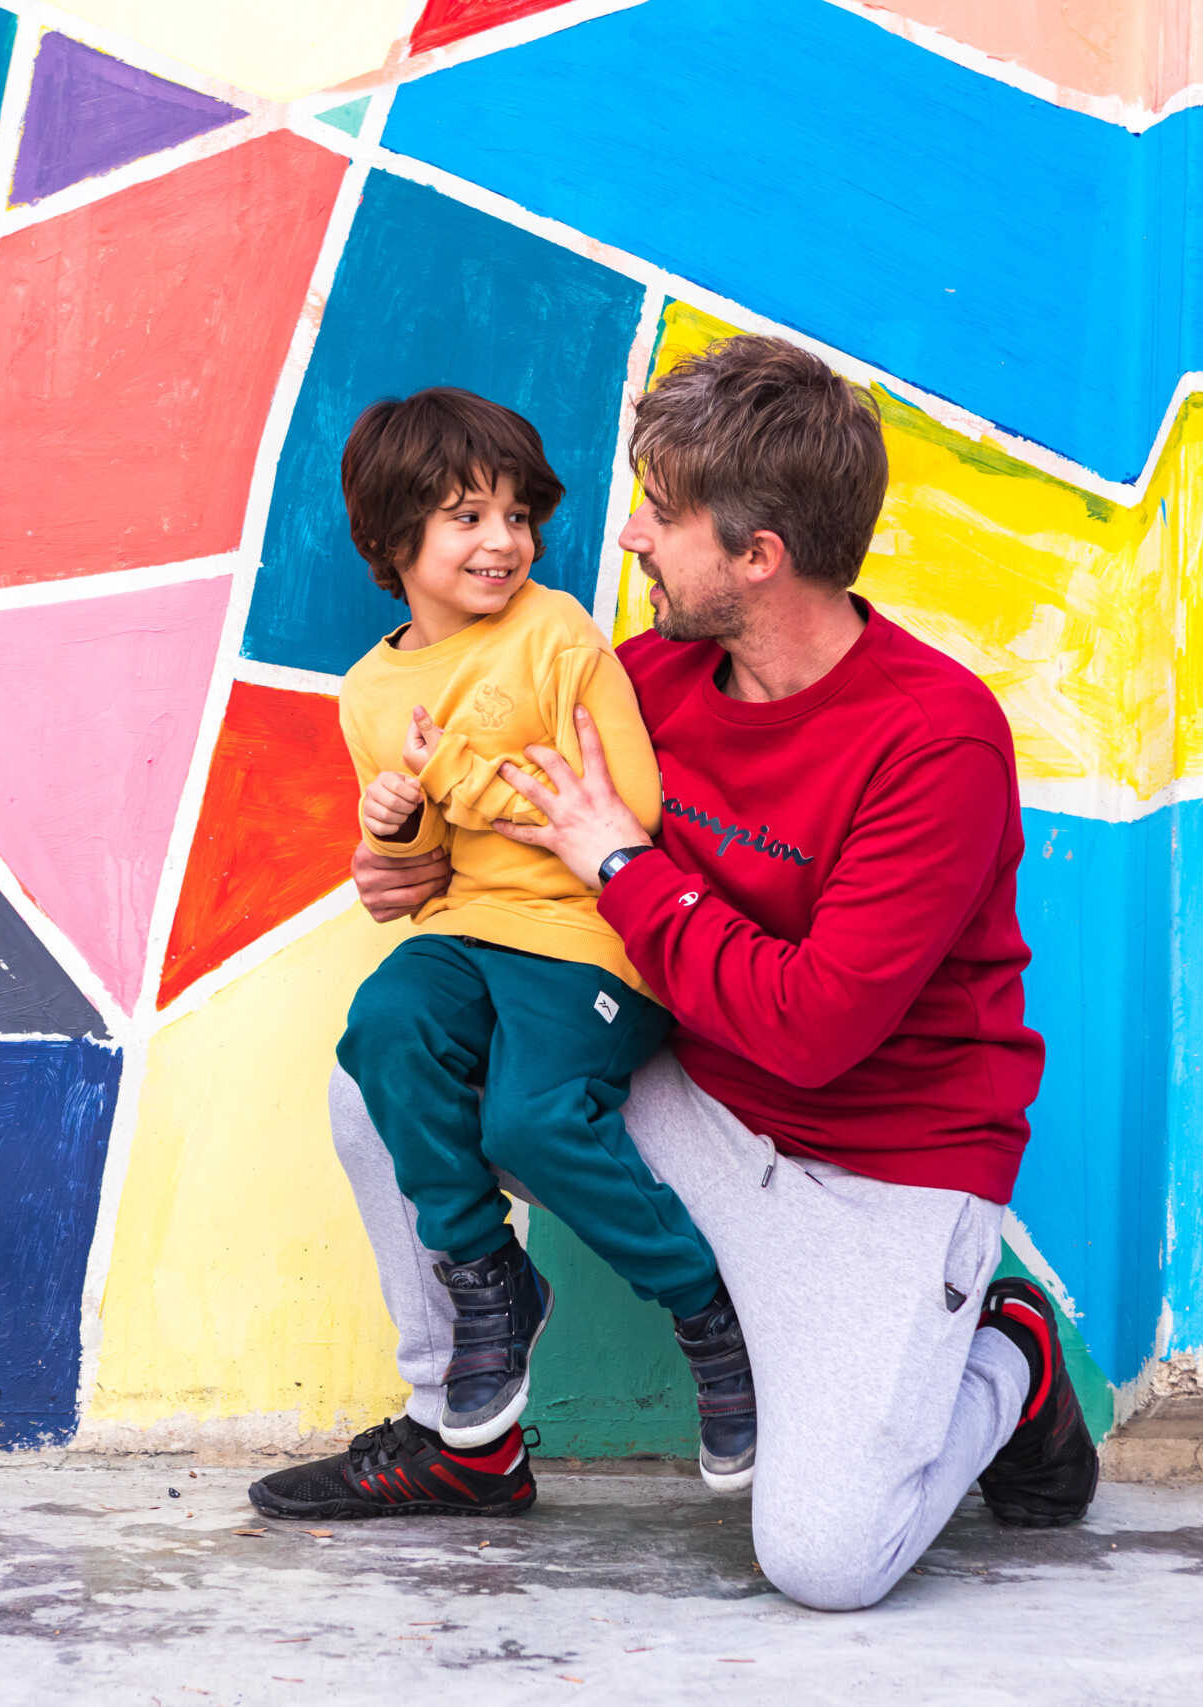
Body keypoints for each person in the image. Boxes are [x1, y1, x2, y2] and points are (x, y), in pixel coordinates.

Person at [250, 339, 1097, 1612]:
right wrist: (415, 872)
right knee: (391, 1064)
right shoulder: (641, 681)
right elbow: (506, 846)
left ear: (758, 557)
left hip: (873, 1174)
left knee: (824, 1562)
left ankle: (1005, 1361)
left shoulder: (935, 740)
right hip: (692, 1108)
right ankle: (465, 1438)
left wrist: (620, 862)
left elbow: (812, 1030)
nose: (631, 532)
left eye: (663, 509)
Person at [272, 388, 757, 1514]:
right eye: (463, 518)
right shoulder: (369, 689)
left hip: (588, 940)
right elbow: (426, 858)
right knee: (382, 1028)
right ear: (393, 542)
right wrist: (392, 823)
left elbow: (620, 802)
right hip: (468, 935)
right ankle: (483, 1272)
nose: (503, 542)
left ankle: (703, 1312)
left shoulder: (555, 636)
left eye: (514, 516)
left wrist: (449, 774)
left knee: (530, 1118)